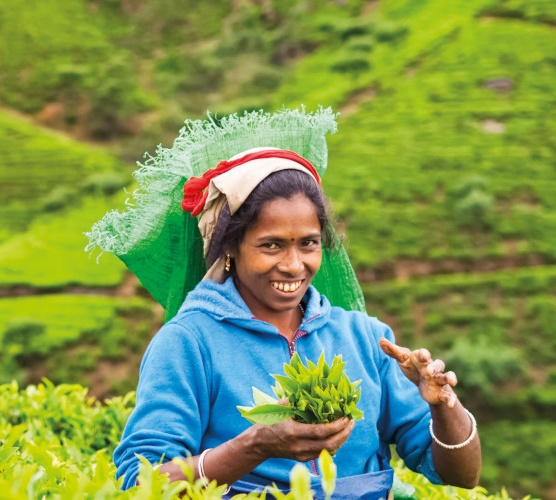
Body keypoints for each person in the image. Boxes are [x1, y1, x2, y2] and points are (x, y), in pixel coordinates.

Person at [87, 109, 480, 499]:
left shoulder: (365, 338)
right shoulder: (188, 342)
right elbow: (139, 484)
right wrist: (254, 446)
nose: (294, 265)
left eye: (308, 243)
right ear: (230, 248)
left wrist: (445, 406)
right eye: (271, 245)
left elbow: (461, 475)